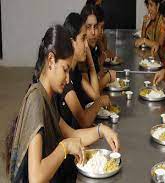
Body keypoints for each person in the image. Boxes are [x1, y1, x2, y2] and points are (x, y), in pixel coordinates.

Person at [6, 25, 119, 182]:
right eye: (65, 69)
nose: (67, 79)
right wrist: (64, 148)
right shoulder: (36, 101)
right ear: (51, 60)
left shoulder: (47, 97)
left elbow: (72, 134)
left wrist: (102, 131)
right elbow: (36, 177)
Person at [57, 13, 110, 129]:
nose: (86, 44)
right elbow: (84, 121)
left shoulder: (75, 69)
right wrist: (100, 102)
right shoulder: (65, 76)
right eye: (83, 38)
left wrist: (90, 61)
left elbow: (95, 95)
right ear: (72, 42)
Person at [81, 3, 117, 90]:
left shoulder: (93, 48)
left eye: (96, 27)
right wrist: (108, 77)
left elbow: (99, 74)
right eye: (88, 27)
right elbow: (92, 92)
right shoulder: (81, 53)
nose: (93, 32)